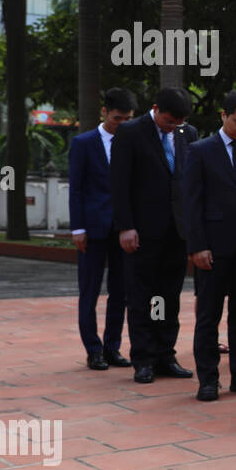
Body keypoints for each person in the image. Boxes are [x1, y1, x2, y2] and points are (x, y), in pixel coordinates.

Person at [110, 87, 198, 383]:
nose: (173, 127)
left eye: (178, 122)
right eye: (169, 121)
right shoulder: (131, 133)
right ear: (156, 109)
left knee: (168, 296)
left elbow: (190, 182)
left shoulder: (188, 134)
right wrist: (125, 226)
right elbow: (119, 183)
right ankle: (143, 358)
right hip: (142, 230)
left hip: (177, 231)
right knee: (141, 296)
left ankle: (165, 354)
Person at [185, 89, 236, 401]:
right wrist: (197, 246)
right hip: (213, 248)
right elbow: (190, 203)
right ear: (223, 116)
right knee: (209, 315)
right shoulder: (200, 150)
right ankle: (208, 379)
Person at [69, 87, 136, 370]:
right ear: (104, 112)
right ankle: (92, 350)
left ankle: (112, 348)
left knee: (120, 292)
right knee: (90, 291)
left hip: (123, 229)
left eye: (129, 119)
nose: (123, 124)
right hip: (93, 228)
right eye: (118, 118)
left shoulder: (134, 142)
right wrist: (77, 229)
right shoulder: (83, 143)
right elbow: (76, 189)